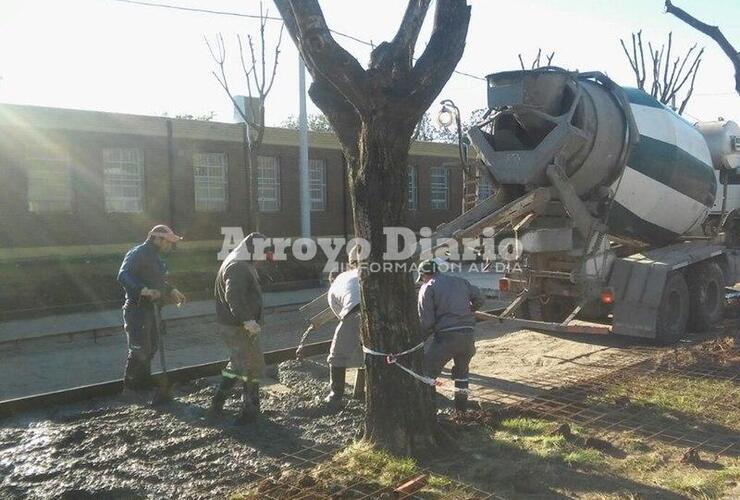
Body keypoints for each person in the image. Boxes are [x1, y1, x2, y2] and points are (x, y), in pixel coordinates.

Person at [210, 232, 273, 424]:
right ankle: (249, 411)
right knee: (251, 366)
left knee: (237, 365)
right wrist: (247, 320)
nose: (264, 257)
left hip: (235, 325)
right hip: (238, 327)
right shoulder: (238, 266)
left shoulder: (240, 262)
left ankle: (218, 402)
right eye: (263, 252)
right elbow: (234, 297)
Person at [117, 225, 186, 391]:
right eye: (167, 242)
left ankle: (144, 381)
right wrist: (142, 290)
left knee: (152, 346)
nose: (169, 245)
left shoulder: (156, 257)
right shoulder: (137, 253)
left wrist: (171, 290)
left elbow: (158, 280)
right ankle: (132, 386)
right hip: (137, 309)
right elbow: (123, 275)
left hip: (153, 309)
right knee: (140, 348)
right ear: (156, 238)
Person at [417, 259, 483, 412]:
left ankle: (428, 411)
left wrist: (419, 341)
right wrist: (471, 309)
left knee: (427, 373)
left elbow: (426, 323)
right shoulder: (461, 282)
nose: (422, 281)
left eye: (422, 278)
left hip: (447, 338)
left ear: (424, 274)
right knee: (462, 373)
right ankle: (461, 410)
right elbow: (480, 298)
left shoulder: (427, 288)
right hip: (468, 336)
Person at [323, 247, 365, 404]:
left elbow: (341, 315)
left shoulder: (335, 284)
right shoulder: (360, 274)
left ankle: (335, 395)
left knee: (337, 354)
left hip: (355, 311)